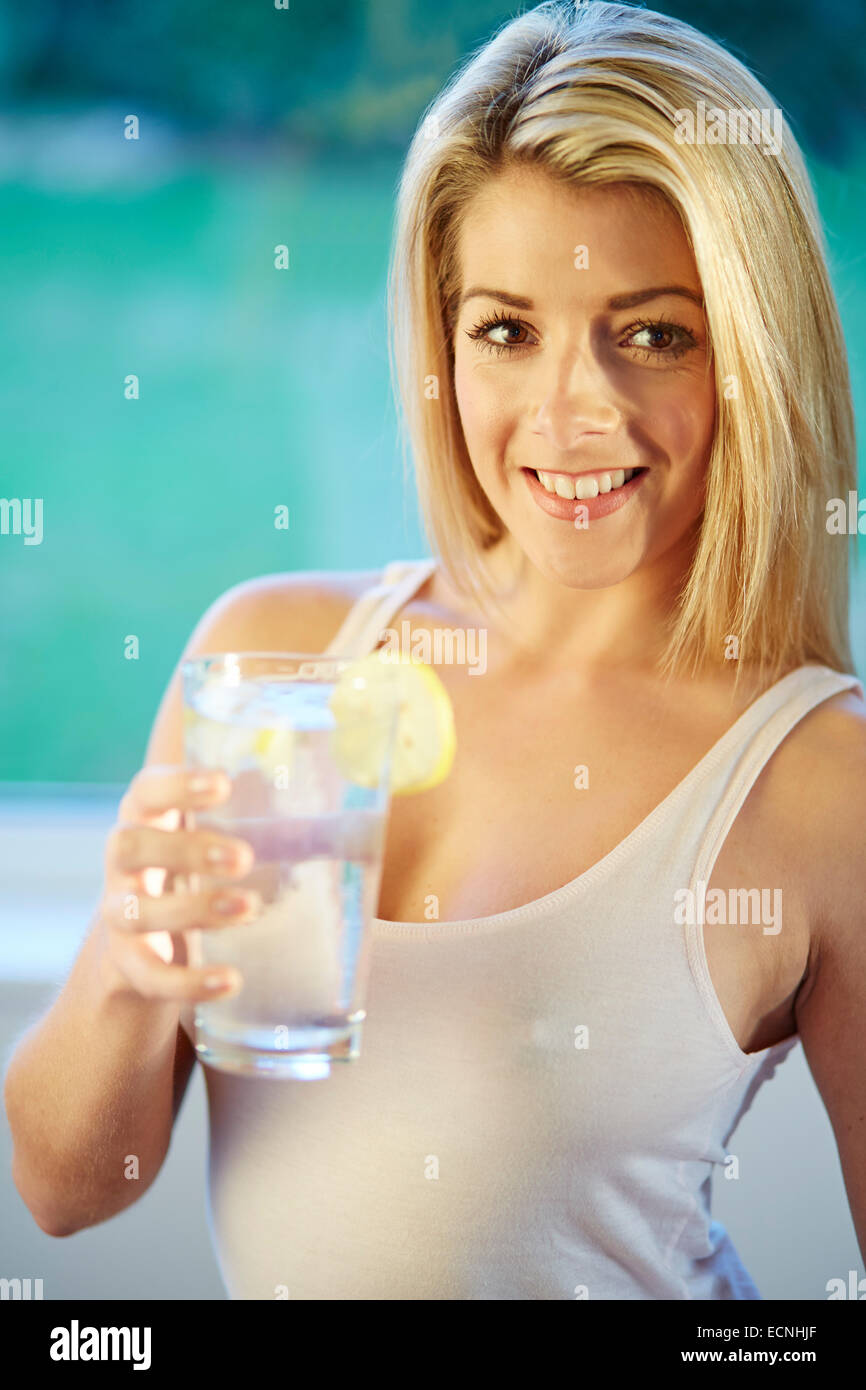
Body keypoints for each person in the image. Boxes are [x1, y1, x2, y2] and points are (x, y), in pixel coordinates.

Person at [6, 0, 865, 1299]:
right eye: (506, 330)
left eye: (652, 332)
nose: (572, 413)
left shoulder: (817, 782)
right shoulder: (272, 667)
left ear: (753, 350)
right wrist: (130, 964)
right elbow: (69, 1190)